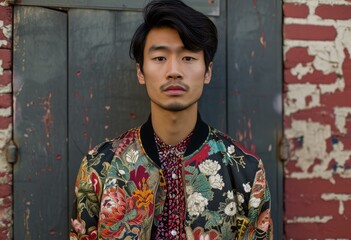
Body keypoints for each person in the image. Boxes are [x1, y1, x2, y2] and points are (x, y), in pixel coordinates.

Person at [70, 0, 273, 239]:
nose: (174, 70)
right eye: (159, 58)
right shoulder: (99, 167)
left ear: (207, 72)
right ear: (140, 72)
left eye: (187, 57)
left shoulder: (245, 171)